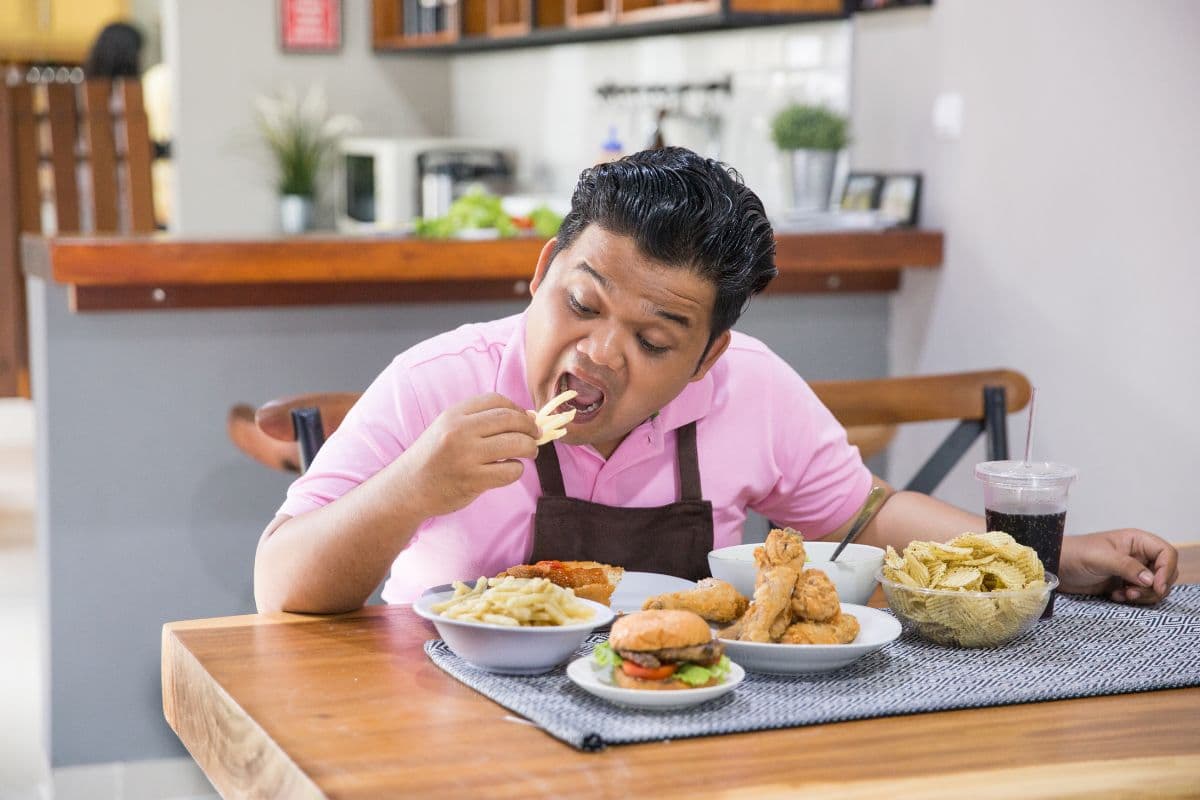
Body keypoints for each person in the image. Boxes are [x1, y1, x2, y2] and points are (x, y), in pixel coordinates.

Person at [253, 147, 1179, 615]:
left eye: (655, 339)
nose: (602, 353)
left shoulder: (753, 391)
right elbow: (279, 586)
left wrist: (1041, 558)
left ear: (709, 357)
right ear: (540, 273)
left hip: (694, 734)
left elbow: (863, 516)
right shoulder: (437, 386)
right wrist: (413, 486)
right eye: (581, 303)